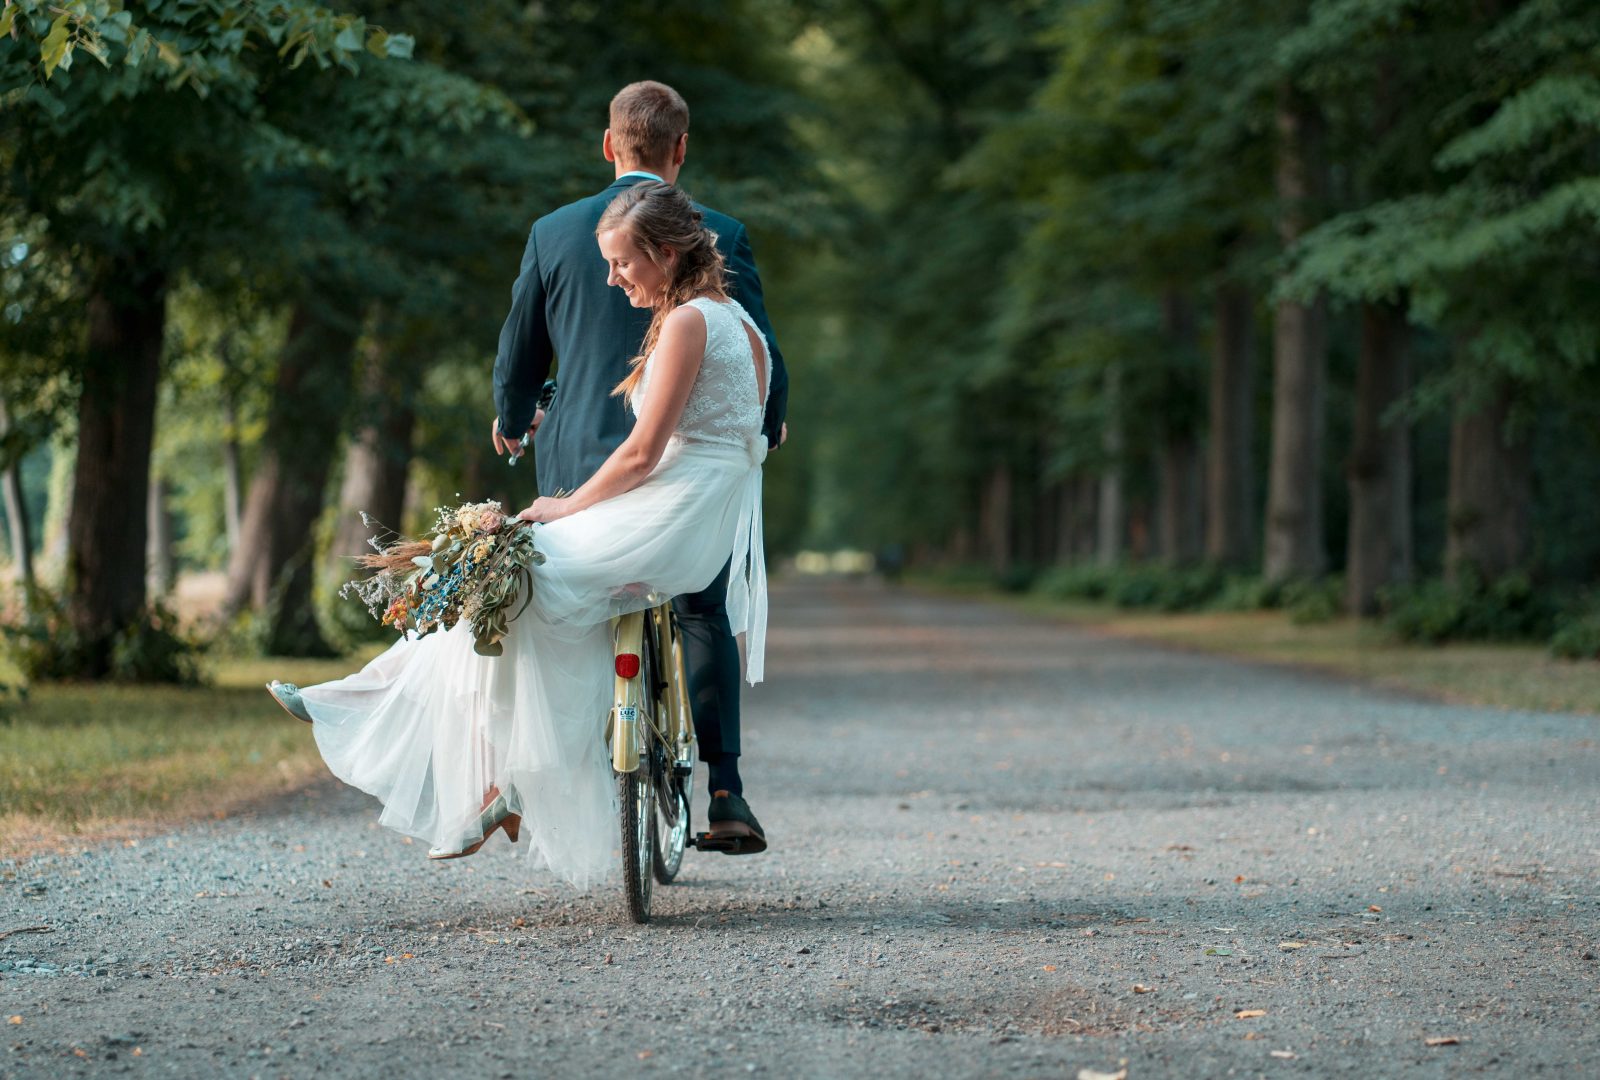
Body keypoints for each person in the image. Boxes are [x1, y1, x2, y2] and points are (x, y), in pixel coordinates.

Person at [268, 182, 771, 883]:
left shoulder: (689, 322)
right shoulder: (736, 320)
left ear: (663, 252)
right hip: (692, 521)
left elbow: (642, 452)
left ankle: (456, 746)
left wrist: (568, 506)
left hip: (668, 519)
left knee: (512, 570)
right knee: (515, 578)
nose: (612, 278)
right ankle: (459, 748)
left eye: (623, 263)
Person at [491, 81, 785, 852]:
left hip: (590, 456)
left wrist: (515, 418)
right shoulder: (722, 232)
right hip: (686, 468)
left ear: (607, 144)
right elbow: (762, 343)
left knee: (548, 597)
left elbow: (521, 347)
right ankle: (725, 788)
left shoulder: (554, 231)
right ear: (680, 150)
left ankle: (523, 772)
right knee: (701, 611)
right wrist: (766, 423)